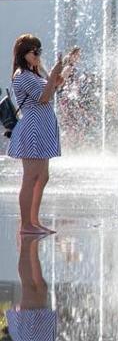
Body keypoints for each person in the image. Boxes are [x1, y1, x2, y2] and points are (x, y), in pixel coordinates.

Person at [8, 35, 65, 235]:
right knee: (31, 177)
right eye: (35, 51)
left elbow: (51, 89)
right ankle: (26, 224)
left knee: (42, 176)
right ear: (24, 54)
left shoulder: (33, 73)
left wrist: (58, 74)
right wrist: (52, 76)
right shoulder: (22, 75)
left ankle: (34, 220)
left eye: (39, 50)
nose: (38, 55)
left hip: (41, 128)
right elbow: (43, 97)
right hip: (33, 129)